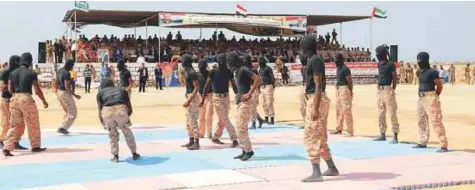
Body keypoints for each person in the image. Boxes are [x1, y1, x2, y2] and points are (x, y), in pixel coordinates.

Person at [299, 35, 339, 182]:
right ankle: (332, 168)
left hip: (316, 99)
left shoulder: (315, 60)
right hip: (315, 99)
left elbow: (318, 85)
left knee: (311, 135)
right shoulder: (312, 60)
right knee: (320, 137)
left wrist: (315, 107)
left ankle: (316, 173)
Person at [2, 52, 48, 157]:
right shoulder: (31, 73)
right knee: (33, 123)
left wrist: (15, 96)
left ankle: (7, 147)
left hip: (14, 99)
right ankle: (35, 146)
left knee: (14, 124)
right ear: (30, 61)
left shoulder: (12, 73)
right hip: (26, 98)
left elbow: (10, 88)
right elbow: (37, 90)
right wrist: (44, 101)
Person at [96, 79, 141, 162]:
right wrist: (126, 119)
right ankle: (134, 154)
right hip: (121, 110)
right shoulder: (121, 90)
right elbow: (129, 108)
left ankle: (115, 156)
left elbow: (100, 111)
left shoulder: (100, 93)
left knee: (113, 135)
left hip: (107, 112)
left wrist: (103, 123)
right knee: (127, 133)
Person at [412, 52, 448, 153]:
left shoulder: (432, 72)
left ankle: (443, 145)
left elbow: (439, 85)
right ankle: (423, 141)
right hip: (421, 98)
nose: (419, 63)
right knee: (421, 120)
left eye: (421, 61)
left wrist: (435, 95)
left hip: (430, 96)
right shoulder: (419, 72)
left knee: (435, 121)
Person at [228, 51, 260, 161]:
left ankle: (249, 151)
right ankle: (244, 149)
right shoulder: (237, 71)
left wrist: (249, 93)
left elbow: (257, 79)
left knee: (241, 127)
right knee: (239, 126)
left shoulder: (243, 70)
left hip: (246, 102)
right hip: (241, 102)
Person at [201, 53, 239, 147]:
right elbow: (207, 86)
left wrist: (238, 95)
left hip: (226, 97)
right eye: (221, 61)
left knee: (222, 119)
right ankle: (234, 139)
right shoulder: (213, 72)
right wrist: (203, 99)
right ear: (218, 62)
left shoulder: (228, 71)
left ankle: (215, 137)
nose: (222, 62)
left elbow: (233, 84)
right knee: (225, 119)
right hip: (217, 98)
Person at [373, 45, 399, 144]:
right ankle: (382, 134)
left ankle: (395, 135)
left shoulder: (390, 64)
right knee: (380, 113)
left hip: (388, 89)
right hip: (380, 90)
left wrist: (393, 89)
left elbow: (394, 78)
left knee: (392, 112)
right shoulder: (379, 64)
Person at [0, 55, 27, 150]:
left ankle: (15, 142)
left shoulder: (18, 72)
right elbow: (2, 87)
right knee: (7, 122)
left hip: (15, 100)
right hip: (6, 100)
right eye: (18, 62)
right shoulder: (5, 72)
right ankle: (2, 140)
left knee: (18, 122)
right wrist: (13, 86)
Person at [55, 59, 81, 135]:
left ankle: (63, 126)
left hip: (59, 92)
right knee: (73, 112)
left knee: (67, 111)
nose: (72, 67)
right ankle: (63, 128)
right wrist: (76, 96)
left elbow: (56, 82)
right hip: (65, 93)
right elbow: (67, 87)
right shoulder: (67, 73)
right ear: (70, 65)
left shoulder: (59, 70)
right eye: (72, 66)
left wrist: (57, 93)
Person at [331, 54, 354, 137]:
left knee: (346, 110)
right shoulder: (338, 68)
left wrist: (350, 91)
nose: (335, 62)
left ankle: (350, 130)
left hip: (344, 89)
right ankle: (339, 128)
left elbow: (350, 81)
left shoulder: (345, 69)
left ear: (341, 60)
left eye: (337, 61)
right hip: (338, 89)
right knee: (338, 110)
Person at [181, 54, 201, 150]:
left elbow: (196, 87)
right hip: (189, 96)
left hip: (193, 98)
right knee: (188, 121)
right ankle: (191, 140)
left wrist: (189, 100)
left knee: (193, 120)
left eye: (183, 61)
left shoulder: (192, 72)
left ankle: (196, 142)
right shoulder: (188, 72)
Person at [243, 55, 264, 129]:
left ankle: (253, 123)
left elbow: (258, 80)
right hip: (248, 89)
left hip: (253, 88)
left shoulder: (253, 70)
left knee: (252, 107)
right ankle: (259, 119)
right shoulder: (245, 69)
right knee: (251, 107)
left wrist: (258, 89)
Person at [197, 59, 213, 139]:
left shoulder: (209, 74)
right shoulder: (197, 75)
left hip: (209, 96)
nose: (200, 67)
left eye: (201, 66)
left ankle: (209, 133)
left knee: (208, 116)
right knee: (201, 116)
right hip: (200, 97)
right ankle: (201, 133)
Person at [259, 57, 276, 125]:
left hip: (268, 86)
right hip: (262, 87)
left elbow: (272, 77)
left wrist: (273, 85)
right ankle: (266, 118)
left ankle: (272, 118)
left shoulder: (268, 68)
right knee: (263, 103)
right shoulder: (260, 69)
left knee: (269, 102)